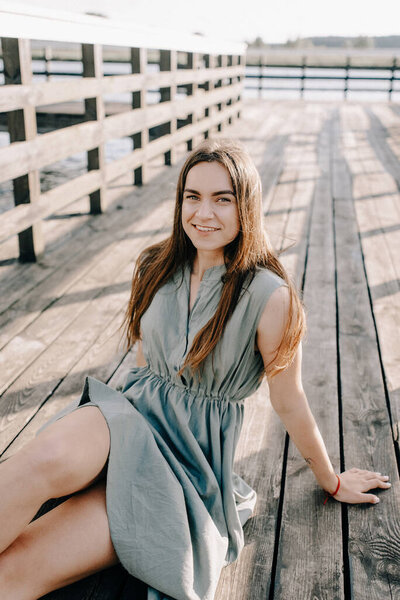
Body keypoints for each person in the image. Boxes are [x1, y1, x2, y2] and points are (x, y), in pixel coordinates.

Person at [0, 139, 391, 600]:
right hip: (123, 420)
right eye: (193, 196)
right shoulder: (155, 265)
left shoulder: (270, 298)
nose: (204, 213)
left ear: (246, 206)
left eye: (222, 199)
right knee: (41, 461)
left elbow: (290, 400)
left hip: (184, 465)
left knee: (16, 572)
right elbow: (147, 366)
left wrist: (333, 480)